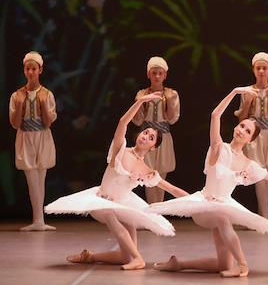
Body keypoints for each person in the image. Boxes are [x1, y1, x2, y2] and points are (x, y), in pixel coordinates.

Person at [152, 87, 268, 277]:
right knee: (223, 219)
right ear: (235, 127)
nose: (242, 131)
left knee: (224, 264)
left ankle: (178, 264)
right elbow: (215, 115)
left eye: (247, 131)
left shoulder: (248, 164)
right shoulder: (219, 148)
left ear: (250, 140)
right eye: (241, 126)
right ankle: (243, 265)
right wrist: (234, 93)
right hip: (204, 205)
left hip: (224, 205)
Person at [46, 94, 187, 270]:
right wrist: (140, 102)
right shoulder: (120, 150)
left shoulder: (147, 170)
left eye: (151, 137)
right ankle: (139, 259)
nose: (145, 137)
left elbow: (172, 189)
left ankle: (90, 256)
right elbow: (122, 122)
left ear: (153, 147)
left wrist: (197, 201)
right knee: (112, 217)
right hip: (101, 201)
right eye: (145, 132)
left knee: (124, 256)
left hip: (123, 205)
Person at [236, 52, 268, 218]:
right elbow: (241, 119)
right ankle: (264, 214)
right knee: (258, 175)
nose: (261, 71)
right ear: (253, 69)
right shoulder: (247, 92)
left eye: (264, 68)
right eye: (258, 68)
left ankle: (263, 214)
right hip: (253, 137)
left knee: (267, 176)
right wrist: (247, 102)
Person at [10, 51, 56, 231]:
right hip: (25, 137)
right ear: (24, 70)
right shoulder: (16, 95)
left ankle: (39, 220)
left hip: (42, 136)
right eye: (27, 69)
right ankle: (37, 219)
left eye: (33, 69)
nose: (30, 72)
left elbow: (48, 122)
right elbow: (15, 124)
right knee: (32, 178)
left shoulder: (47, 94)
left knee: (40, 178)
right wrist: (19, 105)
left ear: (40, 70)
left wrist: (43, 105)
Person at [133, 56, 180, 204]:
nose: (157, 76)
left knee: (160, 176)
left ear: (165, 75)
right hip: (147, 139)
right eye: (154, 73)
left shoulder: (171, 94)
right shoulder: (142, 94)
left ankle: (158, 208)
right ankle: (152, 207)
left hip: (163, 137)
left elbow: (172, 119)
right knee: (147, 174)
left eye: (160, 73)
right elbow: (137, 120)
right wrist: (140, 102)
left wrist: (170, 102)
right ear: (148, 74)